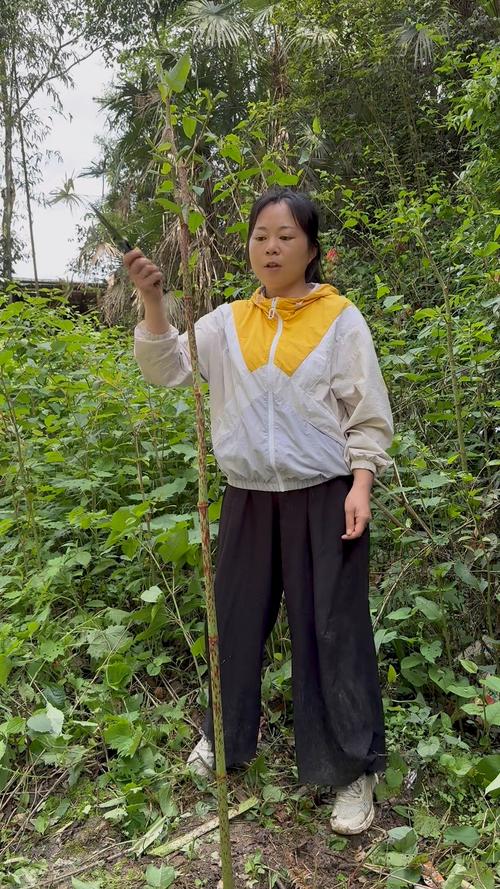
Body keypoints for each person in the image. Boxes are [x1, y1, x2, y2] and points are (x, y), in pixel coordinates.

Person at [125, 188, 394, 836]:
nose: (270, 247)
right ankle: (225, 741)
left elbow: (367, 411)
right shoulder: (224, 323)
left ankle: (354, 770)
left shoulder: (339, 318)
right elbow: (166, 369)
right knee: (236, 623)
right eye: (260, 236)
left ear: (312, 248)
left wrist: (361, 483)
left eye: (285, 236)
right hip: (248, 497)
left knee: (332, 631)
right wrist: (154, 302)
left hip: (324, 495)